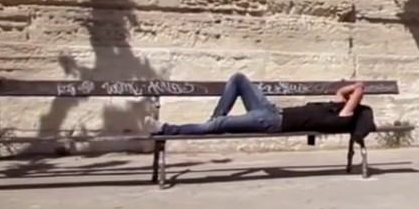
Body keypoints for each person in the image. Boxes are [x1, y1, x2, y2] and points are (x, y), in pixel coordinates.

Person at [152, 72, 366, 136]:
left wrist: (357, 86)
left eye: (349, 103)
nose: (344, 101)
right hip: (270, 111)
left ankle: (166, 129)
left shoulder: (342, 118)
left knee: (217, 126)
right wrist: (348, 90)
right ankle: (216, 118)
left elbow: (359, 89)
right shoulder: (334, 106)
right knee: (238, 79)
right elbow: (341, 92)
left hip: (271, 122)